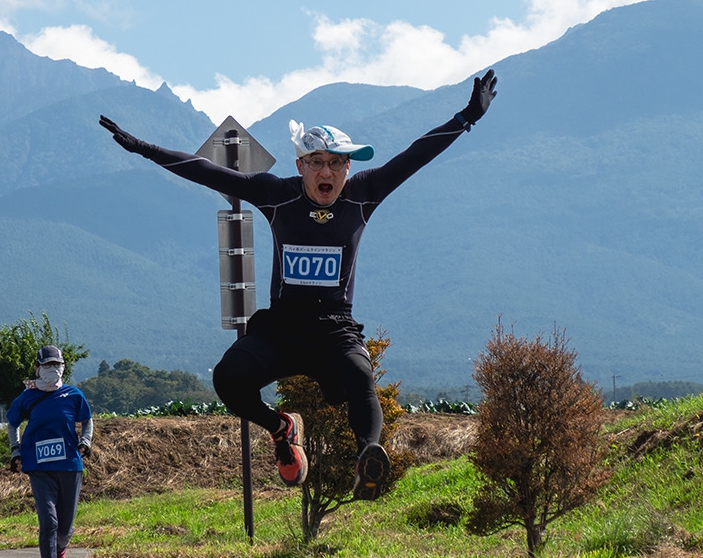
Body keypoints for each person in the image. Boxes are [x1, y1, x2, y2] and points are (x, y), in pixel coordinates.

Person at [99, 69, 497, 501]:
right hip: (281, 330)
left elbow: (415, 155)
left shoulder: (364, 193)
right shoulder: (277, 195)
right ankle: (282, 429)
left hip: (334, 331)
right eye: (317, 163)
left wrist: (466, 118)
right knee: (228, 379)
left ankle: (368, 456)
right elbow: (206, 171)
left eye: (337, 163)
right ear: (301, 166)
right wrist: (142, 148)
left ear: (348, 167)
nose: (328, 172)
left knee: (361, 378)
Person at [6, 345, 94, 558]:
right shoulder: (27, 397)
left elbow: (87, 420)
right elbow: (12, 423)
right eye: (47, 365)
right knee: (49, 521)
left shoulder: (73, 395)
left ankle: (60, 550)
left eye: (57, 365)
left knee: (65, 527)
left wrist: (85, 442)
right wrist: (15, 450)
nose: (53, 369)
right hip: (39, 467)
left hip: (70, 466)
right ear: (37, 368)